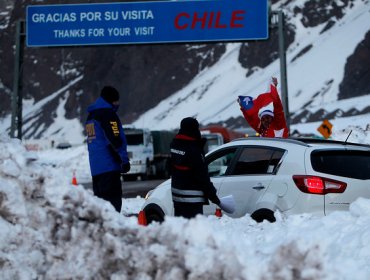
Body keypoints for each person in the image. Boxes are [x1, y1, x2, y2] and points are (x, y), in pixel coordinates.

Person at [85, 86, 130, 212]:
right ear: (111, 100)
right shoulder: (108, 115)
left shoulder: (91, 116)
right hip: (109, 168)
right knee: (113, 207)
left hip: (96, 170)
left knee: (101, 209)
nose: (118, 103)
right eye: (116, 101)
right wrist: (124, 161)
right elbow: (115, 140)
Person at [170, 117, 221, 218]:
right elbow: (202, 176)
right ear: (194, 129)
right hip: (192, 201)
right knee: (193, 231)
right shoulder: (194, 150)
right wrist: (213, 196)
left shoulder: (174, 145)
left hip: (177, 198)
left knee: (182, 230)